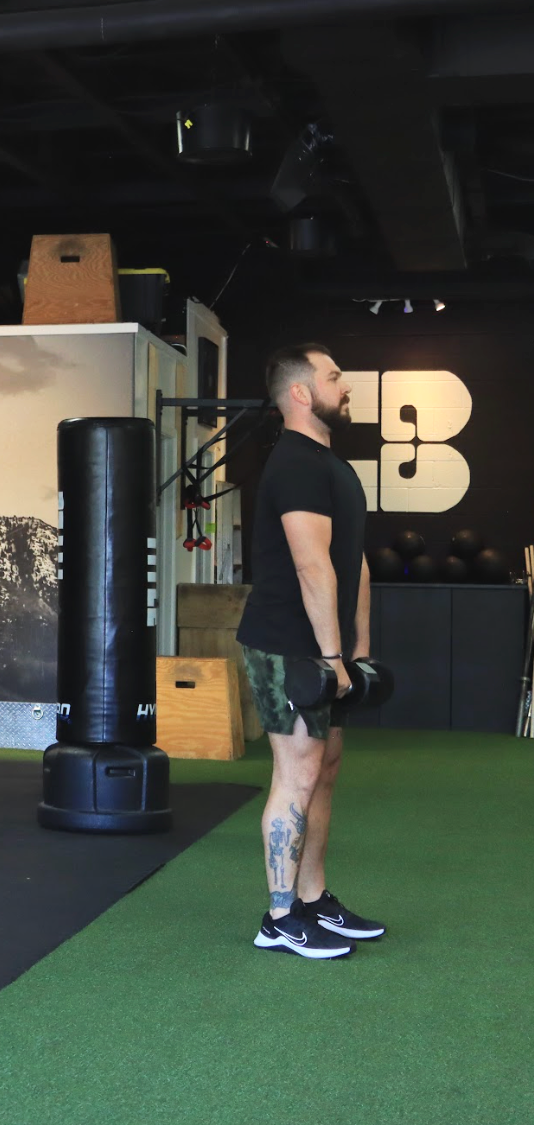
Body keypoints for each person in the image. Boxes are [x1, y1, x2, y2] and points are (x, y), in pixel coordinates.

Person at [236, 344, 385, 958]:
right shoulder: (295, 463)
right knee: (297, 772)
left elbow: (354, 561)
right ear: (300, 392)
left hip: (327, 648)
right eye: (333, 376)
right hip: (288, 646)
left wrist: (359, 649)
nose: (344, 386)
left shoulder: (331, 465)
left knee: (324, 768)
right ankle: (278, 917)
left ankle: (314, 899)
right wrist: (329, 656)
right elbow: (310, 564)